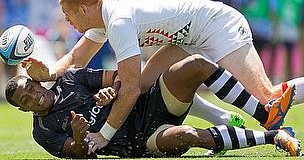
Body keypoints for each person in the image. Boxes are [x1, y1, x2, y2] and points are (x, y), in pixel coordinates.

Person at [21, 0, 303, 149]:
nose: (67, 22)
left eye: (69, 16)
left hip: (219, 25)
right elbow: (75, 58)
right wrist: (48, 72)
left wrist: (104, 135)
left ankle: (261, 117)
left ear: (84, 9)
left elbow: (128, 90)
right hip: (188, 39)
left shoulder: (117, 21)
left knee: (268, 98)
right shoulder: (102, 16)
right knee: (146, 84)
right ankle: (224, 119)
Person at [7, 55, 302, 158]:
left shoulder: (71, 79)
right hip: (140, 141)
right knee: (187, 135)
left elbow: (121, 78)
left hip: (148, 104)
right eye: (26, 100)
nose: (33, 96)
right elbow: (79, 153)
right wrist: (80, 137)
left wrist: (113, 90)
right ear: (23, 109)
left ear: (36, 83)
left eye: (31, 89)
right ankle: (274, 137)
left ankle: (266, 115)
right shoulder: (42, 130)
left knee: (196, 64)